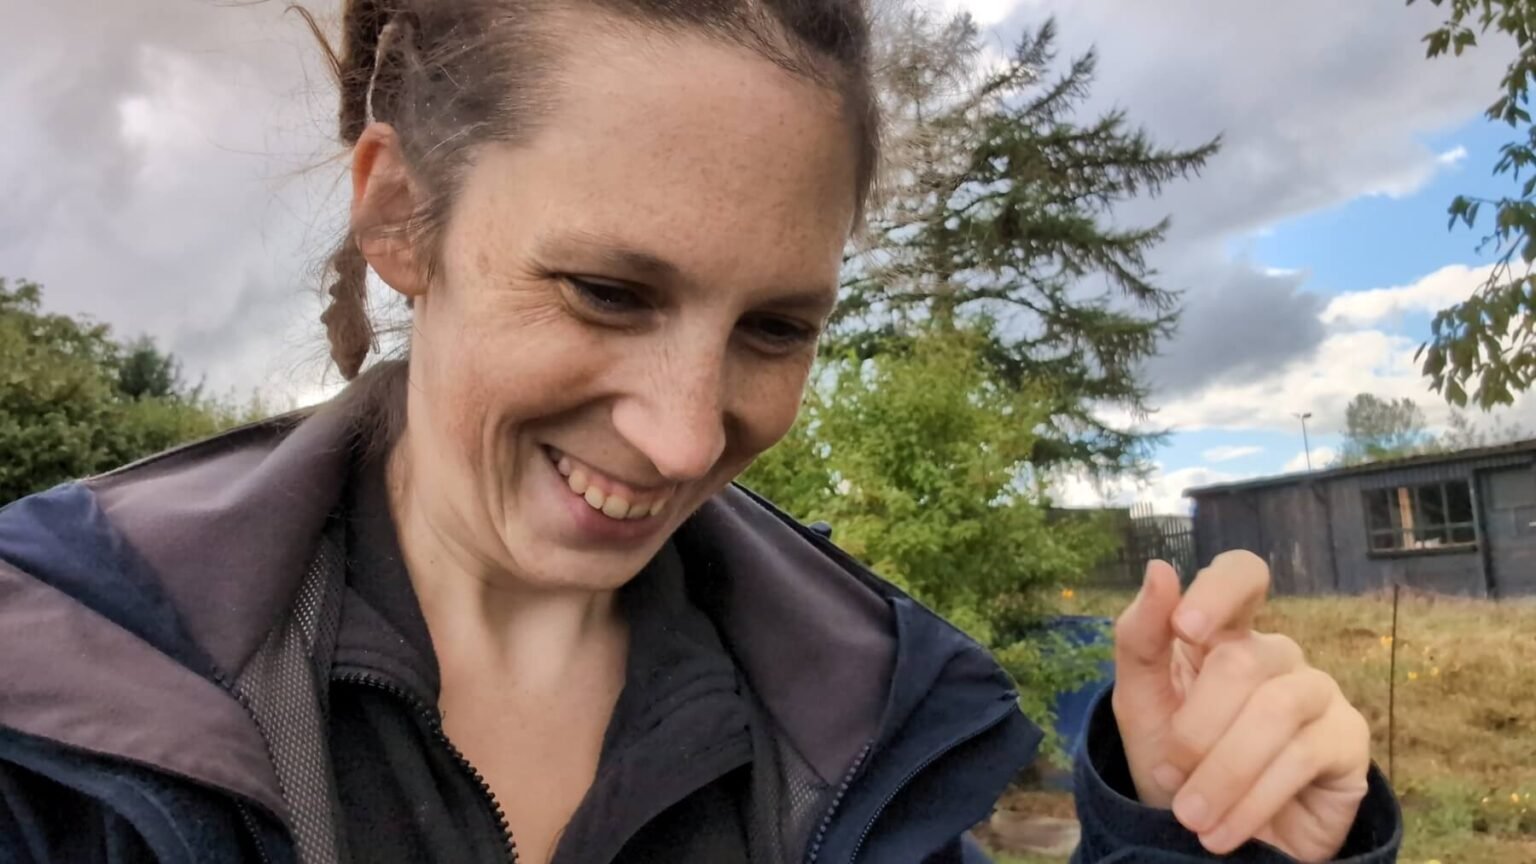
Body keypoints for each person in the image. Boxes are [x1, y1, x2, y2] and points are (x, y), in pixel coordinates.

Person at [0, 1, 1400, 862]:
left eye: (777, 329)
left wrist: (1196, 836)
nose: (682, 441)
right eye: (608, 290)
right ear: (399, 217)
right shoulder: (58, 691)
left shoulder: (869, 719)